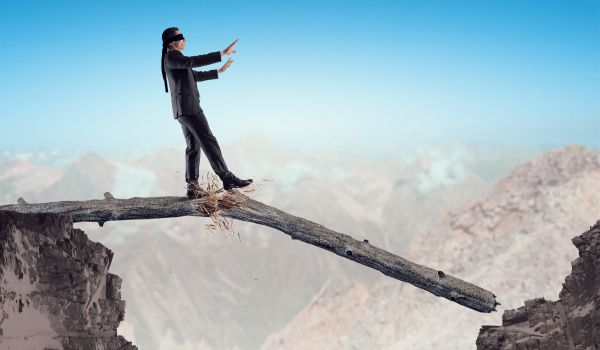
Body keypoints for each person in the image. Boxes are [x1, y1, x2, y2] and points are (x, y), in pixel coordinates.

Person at [161, 27, 252, 199]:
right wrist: (221, 53)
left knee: (193, 147)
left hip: (182, 110)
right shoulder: (173, 56)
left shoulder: (173, 60)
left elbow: (193, 75)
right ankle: (227, 178)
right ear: (171, 42)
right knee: (209, 141)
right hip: (190, 108)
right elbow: (193, 62)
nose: (184, 39)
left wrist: (219, 71)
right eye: (180, 37)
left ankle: (192, 187)